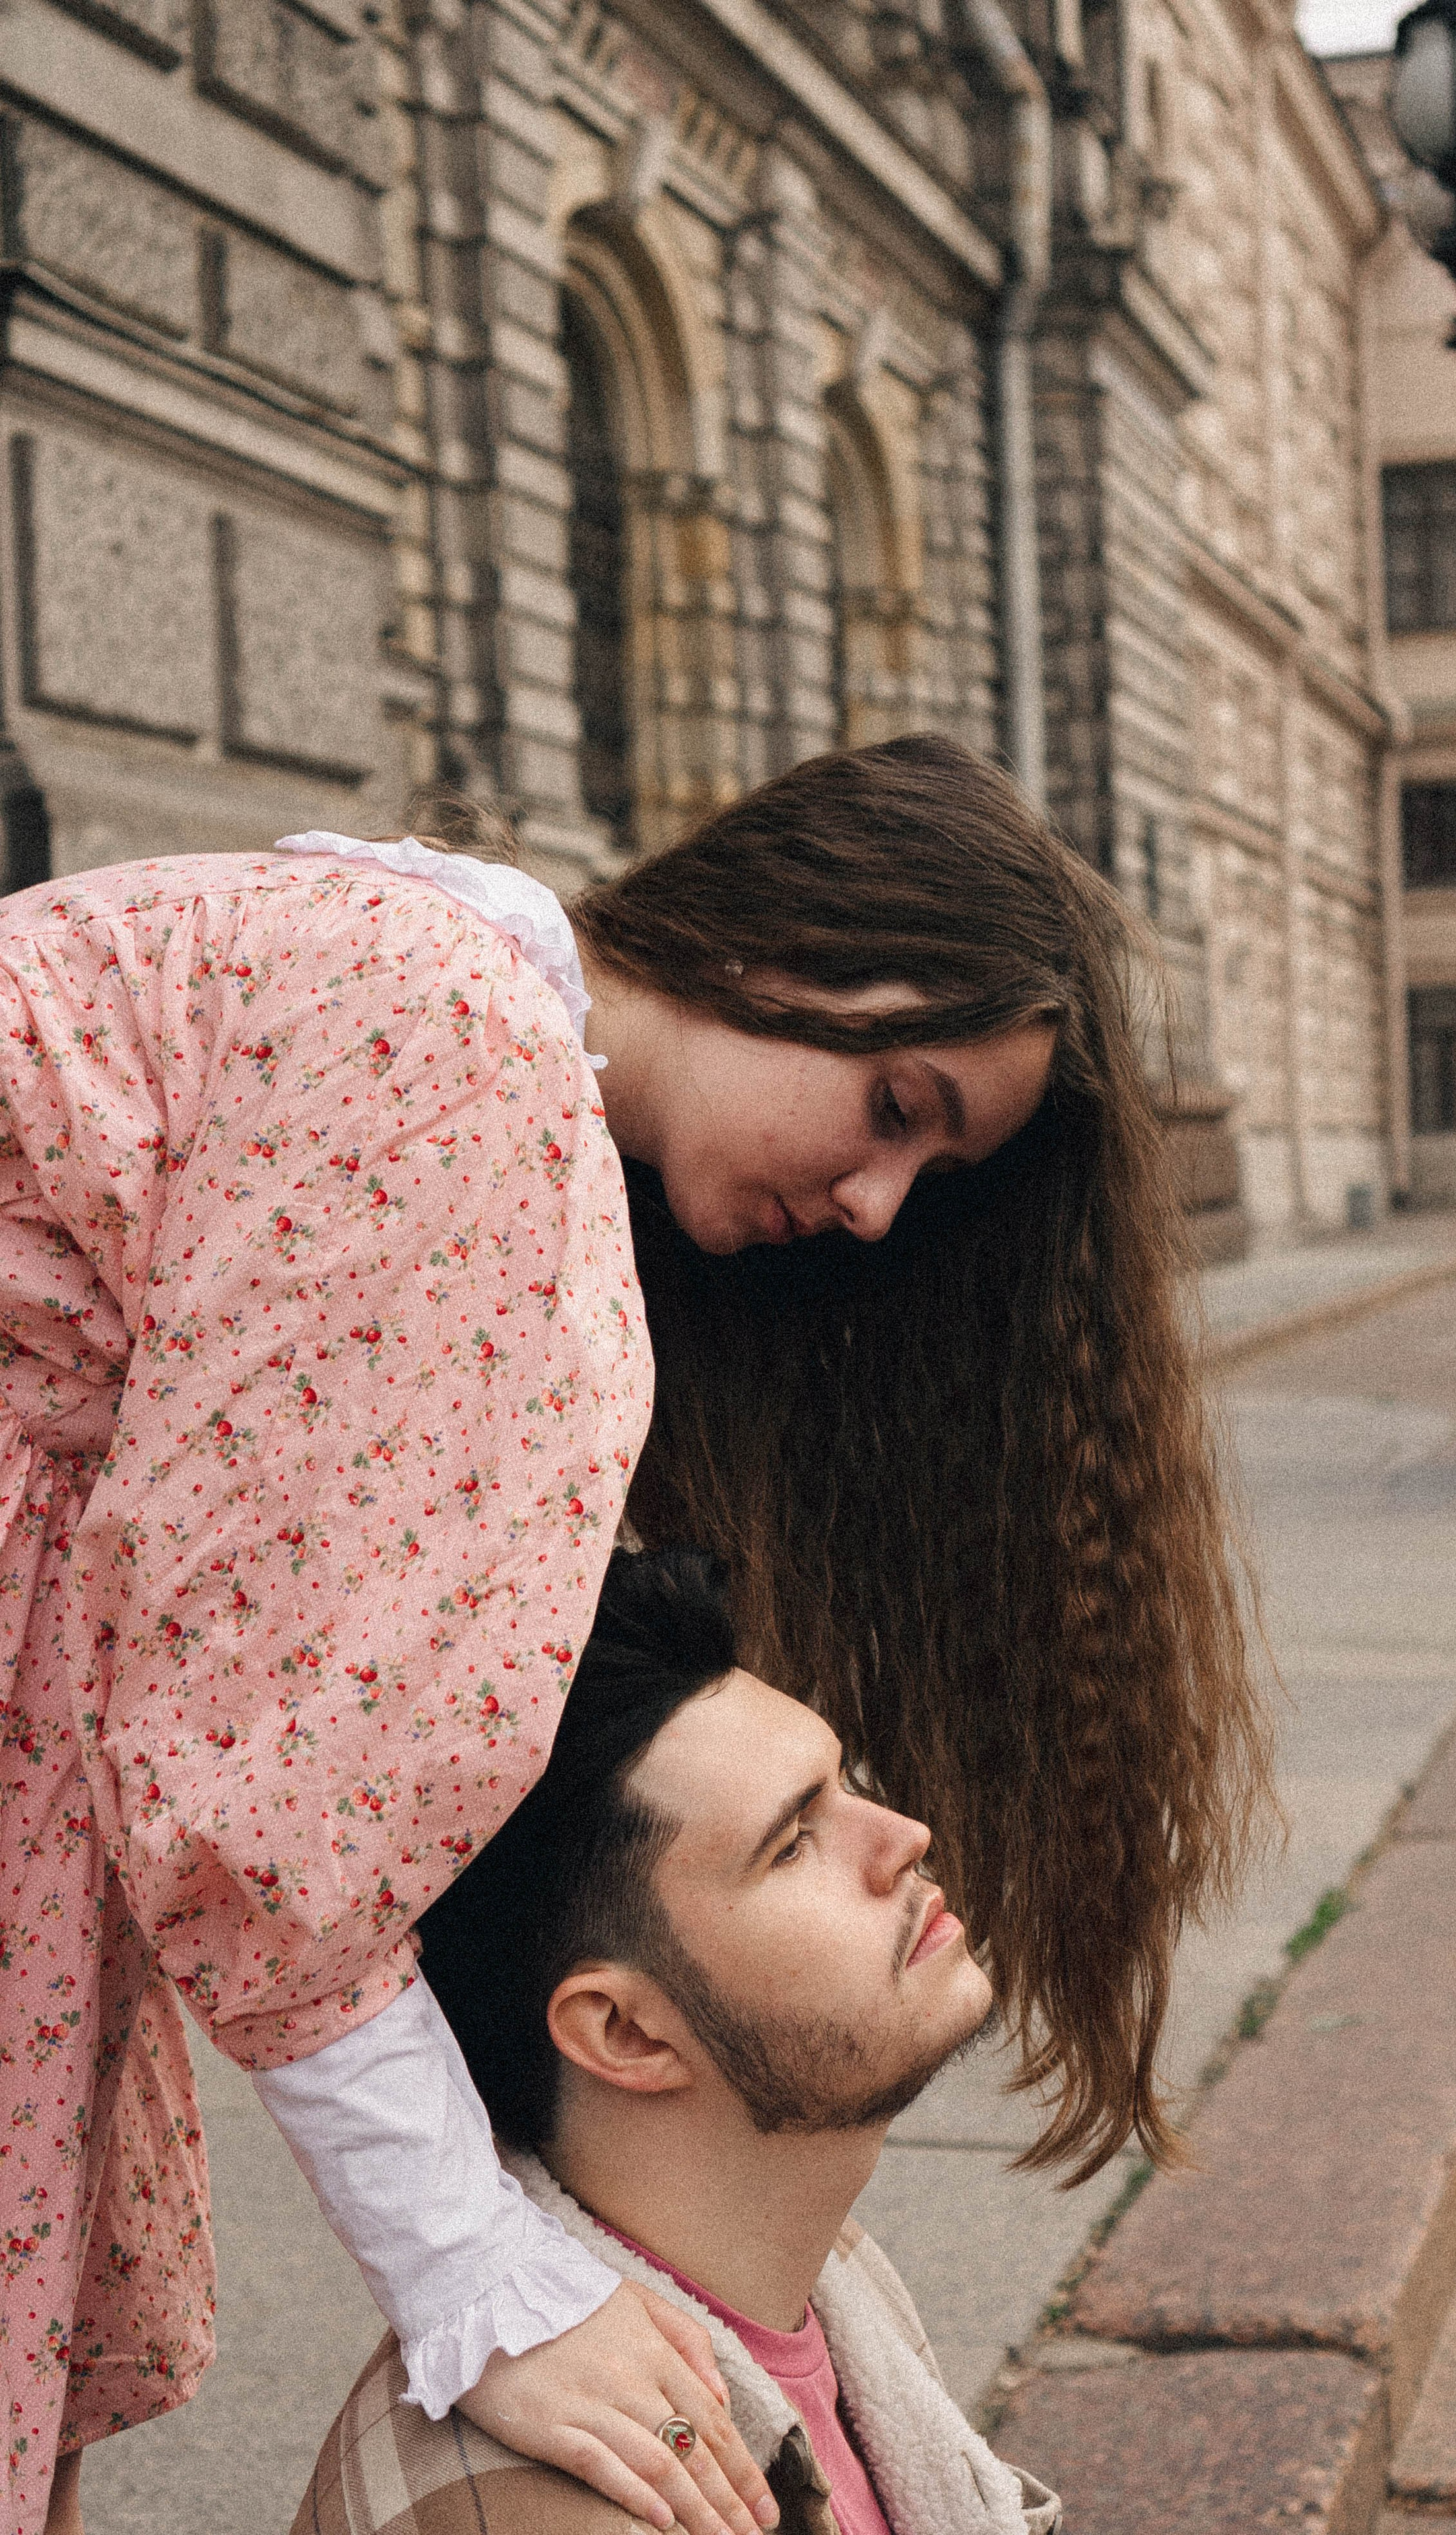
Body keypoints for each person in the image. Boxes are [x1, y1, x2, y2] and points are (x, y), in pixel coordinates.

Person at [1, 737, 1268, 2535]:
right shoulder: (458, 1043)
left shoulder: (443, 1001)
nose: (875, 1204)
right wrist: (475, 2277)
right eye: (898, 1106)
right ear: (793, 940)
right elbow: (267, 1780)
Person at [296, 1544, 1060, 2535]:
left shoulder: (818, 2280)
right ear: (624, 2031)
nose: (904, 1834)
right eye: (792, 1842)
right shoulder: (561, 2511)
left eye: (847, 1783)